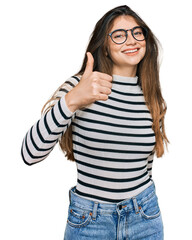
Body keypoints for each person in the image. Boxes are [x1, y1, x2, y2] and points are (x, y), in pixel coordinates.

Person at [21, 5, 169, 240]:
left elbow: (145, 166)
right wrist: (72, 101)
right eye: (119, 35)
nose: (131, 40)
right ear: (106, 48)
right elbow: (29, 154)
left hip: (145, 217)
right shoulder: (80, 85)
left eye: (137, 32)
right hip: (90, 221)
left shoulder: (152, 96)